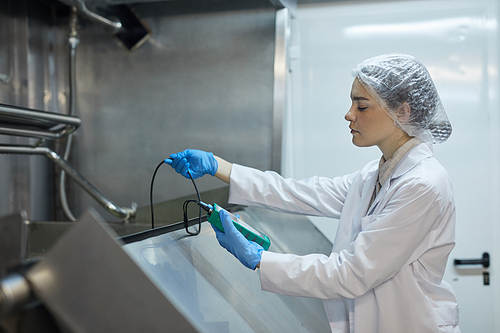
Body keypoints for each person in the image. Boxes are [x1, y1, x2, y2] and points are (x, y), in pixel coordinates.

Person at [166, 54, 460, 333]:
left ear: (403, 111)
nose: (349, 115)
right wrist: (219, 167)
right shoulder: (374, 175)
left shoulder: (422, 185)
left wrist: (260, 259)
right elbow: (298, 193)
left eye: (361, 106)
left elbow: (351, 274)